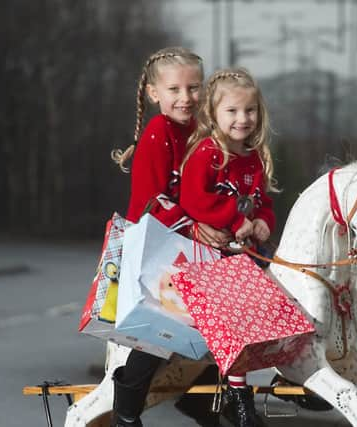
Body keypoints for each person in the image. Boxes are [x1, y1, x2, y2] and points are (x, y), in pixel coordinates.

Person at [110, 47, 230, 427]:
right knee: (164, 327)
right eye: (175, 88)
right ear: (153, 93)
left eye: (194, 88)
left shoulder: (202, 132)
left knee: (228, 319)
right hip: (156, 247)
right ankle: (125, 413)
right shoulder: (158, 132)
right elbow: (152, 200)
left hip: (189, 246)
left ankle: (203, 398)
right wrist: (195, 225)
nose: (186, 97)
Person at [180, 68, 278, 427]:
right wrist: (236, 222)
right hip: (210, 253)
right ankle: (240, 401)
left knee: (289, 297)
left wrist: (264, 220)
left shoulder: (253, 158)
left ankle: (297, 376)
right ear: (213, 114)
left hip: (245, 253)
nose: (242, 119)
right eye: (232, 112)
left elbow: (261, 200)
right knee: (238, 318)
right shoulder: (208, 152)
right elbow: (193, 199)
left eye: (249, 111)